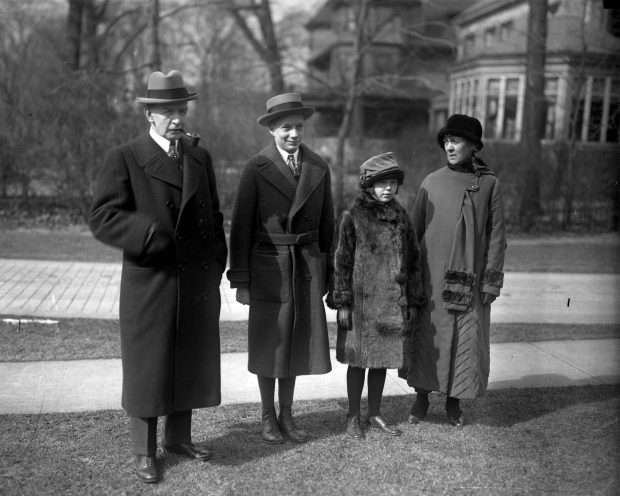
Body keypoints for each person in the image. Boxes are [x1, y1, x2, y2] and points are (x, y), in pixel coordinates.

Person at [89, 70, 227, 483]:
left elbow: (215, 214)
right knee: (150, 365)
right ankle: (144, 450)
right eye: (167, 111)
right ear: (149, 114)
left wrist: (216, 259)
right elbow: (102, 217)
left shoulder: (200, 158)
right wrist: (149, 235)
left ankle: (179, 439)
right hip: (152, 278)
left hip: (195, 280)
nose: (177, 119)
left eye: (181, 110)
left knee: (188, 358)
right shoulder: (125, 156)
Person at [227, 93, 334, 444]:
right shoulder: (256, 167)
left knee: (296, 342)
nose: (293, 134)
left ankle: (288, 415)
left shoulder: (318, 167)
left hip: (305, 268)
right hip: (269, 269)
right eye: (285, 127)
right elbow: (241, 227)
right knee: (269, 343)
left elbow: (328, 226)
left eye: (299, 127)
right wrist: (241, 280)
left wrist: (329, 276)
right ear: (271, 129)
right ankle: (267, 417)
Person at [400, 114, 506, 427]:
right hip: (429, 279)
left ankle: (453, 402)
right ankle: (420, 399)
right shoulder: (430, 182)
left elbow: (497, 235)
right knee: (426, 338)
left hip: (469, 279)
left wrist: (491, 281)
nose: (449, 146)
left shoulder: (489, 184)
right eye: (446, 140)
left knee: (462, 339)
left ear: (474, 146)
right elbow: (413, 231)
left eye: (456, 140)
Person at [327, 152, 425, 439]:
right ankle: (353, 415)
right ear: (368, 185)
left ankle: (375, 412)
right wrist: (342, 301)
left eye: (392, 183)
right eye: (381, 183)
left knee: (381, 360)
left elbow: (414, 261)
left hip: (389, 303)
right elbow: (340, 262)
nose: (387, 189)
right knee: (359, 361)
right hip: (360, 304)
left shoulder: (402, 218)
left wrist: (413, 298)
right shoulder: (352, 218)